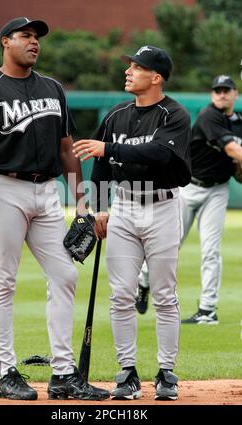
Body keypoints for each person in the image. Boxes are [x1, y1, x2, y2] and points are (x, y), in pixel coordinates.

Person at [0, 17, 109, 401]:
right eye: (26, 35)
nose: (34, 42)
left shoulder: (53, 88)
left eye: (37, 37)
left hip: (47, 192)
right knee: (4, 280)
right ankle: (7, 373)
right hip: (2, 188)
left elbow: (66, 148)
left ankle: (63, 374)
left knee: (64, 275)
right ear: (5, 42)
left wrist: (82, 203)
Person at [73, 45, 191, 400]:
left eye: (137, 67)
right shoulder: (116, 114)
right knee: (121, 295)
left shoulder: (175, 114)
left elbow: (159, 153)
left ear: (156, 77)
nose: (128, 71)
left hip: (163, 207)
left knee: (165, 295)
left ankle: (167, 373)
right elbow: (100, 168)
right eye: (129, 66)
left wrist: (108, 149)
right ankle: (127, 372)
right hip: (123, 209)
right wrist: (98, 208)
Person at [180, 75, 242, 324]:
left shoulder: (241, 126)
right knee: (168, 247)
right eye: (217, 90)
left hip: (217, 191)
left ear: (235, 94)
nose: (221, 94)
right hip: (189, 187)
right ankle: (144, 282)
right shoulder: (208, 116)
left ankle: (207, 310)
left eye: (226, 90)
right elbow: (232, 150)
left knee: (211, 250)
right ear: (212, 95)